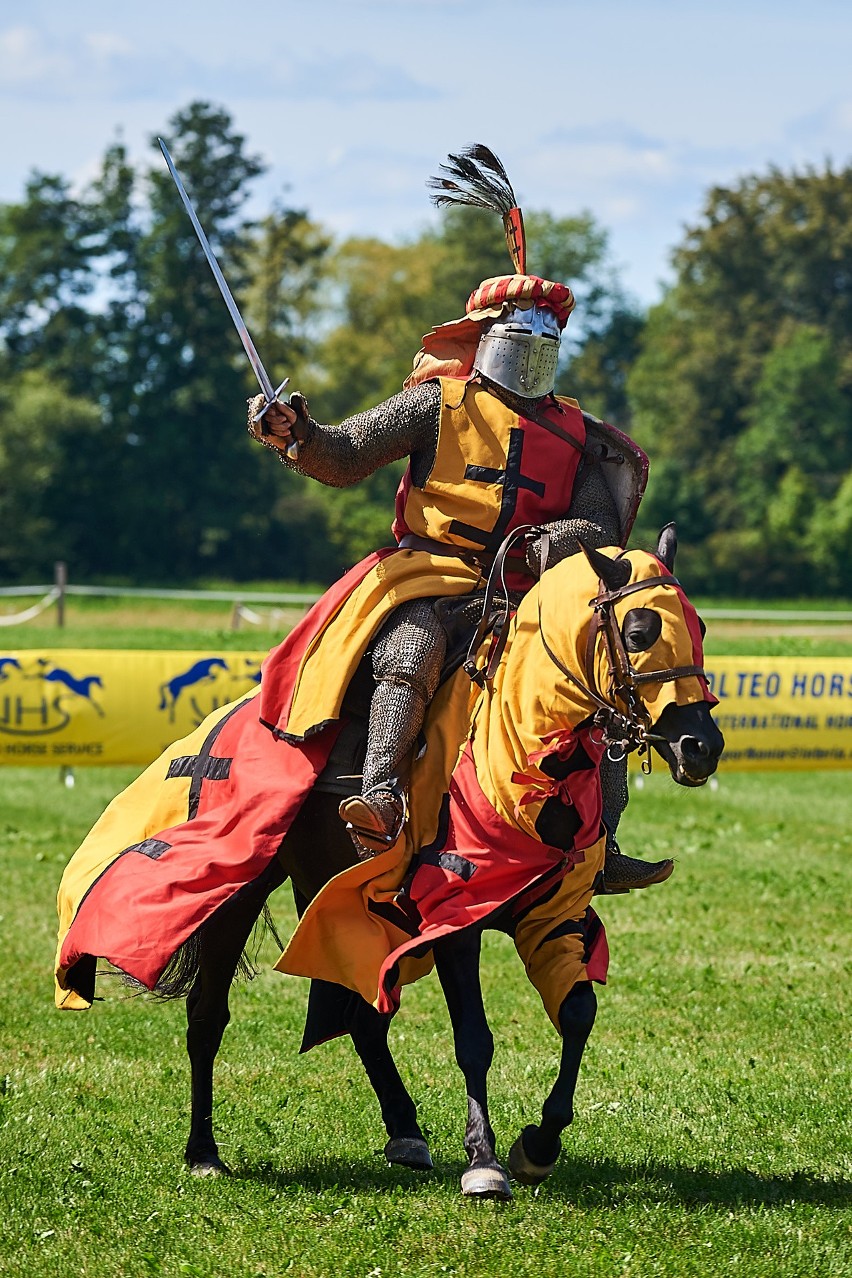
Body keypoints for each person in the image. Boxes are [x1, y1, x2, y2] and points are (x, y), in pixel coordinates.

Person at [247, 148, 672, 894]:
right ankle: (378, 795)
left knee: (599, 685)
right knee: (409, 650)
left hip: (530, 592)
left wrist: (556, 541)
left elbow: (600, 526)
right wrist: (300, 435)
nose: (536, 350)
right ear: (488, 337)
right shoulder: (435, 404)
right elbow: (346, 455)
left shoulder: (575, 431)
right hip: (432, 574)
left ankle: (599, 843)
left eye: (550, 338)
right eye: (524, 335)